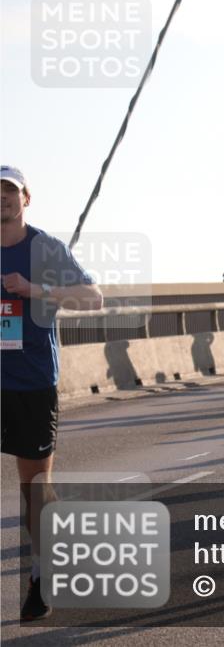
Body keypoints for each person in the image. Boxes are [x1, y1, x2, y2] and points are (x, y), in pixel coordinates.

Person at [2, 165, 104, 621]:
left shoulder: (45, 248)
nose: (2, 198)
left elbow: (94, 298)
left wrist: (34, 289)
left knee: (35, 490)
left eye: (10, 191)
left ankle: (41, 576)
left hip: (31, 383)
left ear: (26, 198)